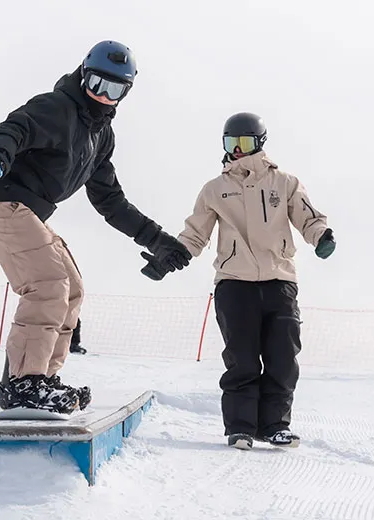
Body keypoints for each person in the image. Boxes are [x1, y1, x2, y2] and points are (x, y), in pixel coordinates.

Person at [0, 40, 191, 414]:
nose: (103, 96)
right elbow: (13, 130)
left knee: (72, 289)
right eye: (97, 84)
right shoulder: (56, 107)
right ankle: (23, 384)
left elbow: (110, 200)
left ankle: (42, 378)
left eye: (114, 90)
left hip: (26, 210)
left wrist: (157, 239)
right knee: (48, 283)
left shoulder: (101, 138)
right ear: (83, 75)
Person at [143, 112, 336, 450]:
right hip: (234, 283)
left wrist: (321, 236)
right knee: (241, 359)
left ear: (259, 143)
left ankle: (275, 425)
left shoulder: (285, 183)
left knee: (282, 358)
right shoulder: (215, 190)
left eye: (243, 143)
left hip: (279, 280)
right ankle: (240, 428)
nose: (236, 150)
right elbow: (195, 234)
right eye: (230, 143)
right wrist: (169, 259)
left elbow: (308, 216)